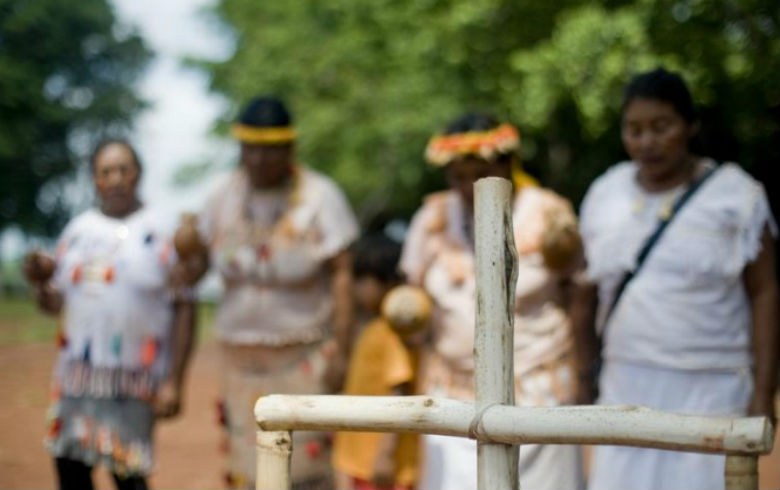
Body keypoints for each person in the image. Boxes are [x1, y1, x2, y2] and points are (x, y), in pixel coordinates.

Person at [570, 67, 779, 490]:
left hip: (713, 389)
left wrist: (763, 391)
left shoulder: (736, 196)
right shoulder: (605, 193)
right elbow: (584, 295)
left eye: (661, 127)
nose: (646, 142)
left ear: (690, 127)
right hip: (624, 385)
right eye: (634, 130)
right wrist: (581, 376)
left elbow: (764, 292)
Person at [399, 112, 585, 490]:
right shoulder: (433, 217)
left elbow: (579, 293)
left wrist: (584, 372)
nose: (468, 186)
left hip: (539, 388)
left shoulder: (549, 214)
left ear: (507, 163)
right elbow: (412, 291)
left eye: (478, 173)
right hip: (451, 393)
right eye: (458, 176)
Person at [23, 139, 205, 490]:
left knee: (128, 475)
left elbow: (185, 306)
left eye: (125, 169)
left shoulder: (162, 230)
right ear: (95, 179)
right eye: (107, 171)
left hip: (133, 384)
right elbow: (55, 303)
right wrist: (41, 284)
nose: (117, 178)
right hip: (76, 381)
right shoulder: (77, 232)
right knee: (71, 472)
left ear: (138, 174)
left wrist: (174, 382)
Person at [200, 95, 360, 490]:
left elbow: (343, 275)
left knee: (303, 473)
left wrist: (342, 351)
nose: (257, 160)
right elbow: (195, 264)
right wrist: (185, 252)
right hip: (239, 366)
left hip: (303, 362)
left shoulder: (320, 196)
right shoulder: (222, 197)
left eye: (268, 151)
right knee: (247, 472)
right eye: (249, 149)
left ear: (289, 148)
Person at [332, 234, 430, 490]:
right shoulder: (372, 328)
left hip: (381, 464)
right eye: (357, 279)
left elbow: (398, 392)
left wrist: (386, 455)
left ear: (391, 283)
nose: (358, 288)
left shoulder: (393, 334)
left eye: (367, 280)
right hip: (362, 456)